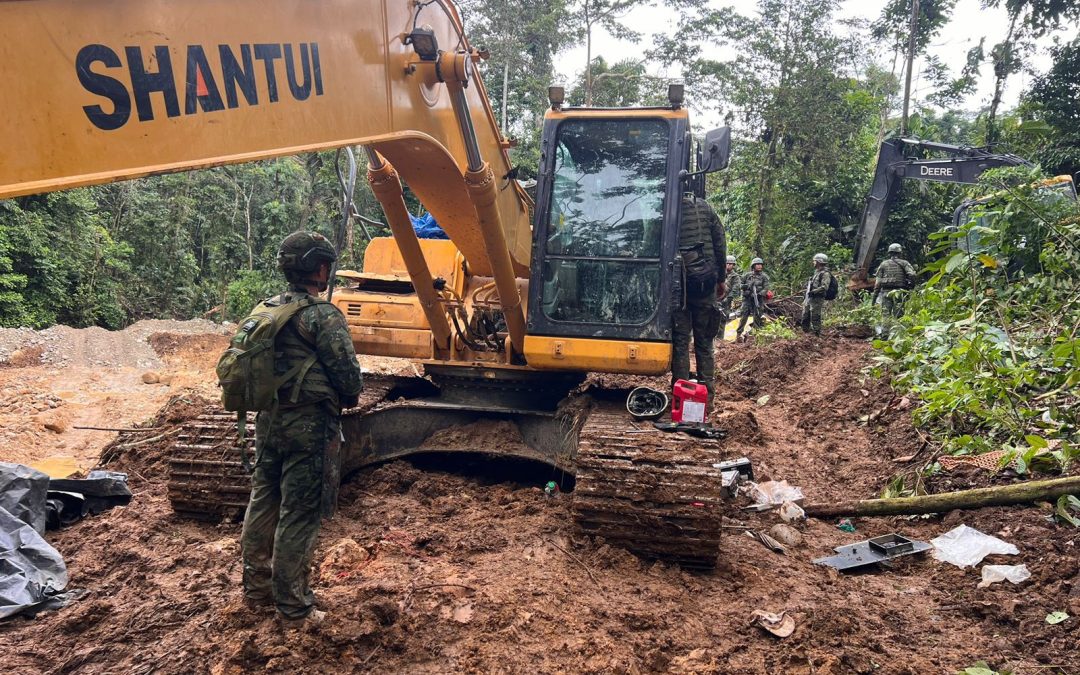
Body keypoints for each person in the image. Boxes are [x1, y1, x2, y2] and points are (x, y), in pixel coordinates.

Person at [240, 231, 364, 627]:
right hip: (308, 425)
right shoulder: (321, 316)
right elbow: (348, 377)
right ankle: (293, 606)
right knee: (299, 510)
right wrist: (346, 396)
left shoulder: (265, 309)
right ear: (322, 268)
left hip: (268, 420)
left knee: (264, 500)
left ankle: (257, 591)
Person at [671, 194, 726, 409]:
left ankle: (680, 396)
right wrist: (720, 279)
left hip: (679, 286)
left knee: (681, 343)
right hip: (705, 284)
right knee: (704, 344)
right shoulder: (705, 208)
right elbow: (720, 244)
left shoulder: (669, 206)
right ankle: (708, 400)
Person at [874, 243, 917, 317]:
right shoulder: (904, 263)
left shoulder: (883, 264)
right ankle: (898, 328)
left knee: (885, 315)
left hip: (886, 292)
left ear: (889, 253)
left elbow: (878, 282)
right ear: (900, 253)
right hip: (899, 292)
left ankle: (885, 328)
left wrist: (875, 296)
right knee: (899, 315)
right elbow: (912, 274)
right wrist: (911, 286)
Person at [736, 258, 770, 341]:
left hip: (758, 299)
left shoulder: (764, 277)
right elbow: (740, 285)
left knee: (757, 316)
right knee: (744, 316)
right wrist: (747, 288)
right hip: (747, 299)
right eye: (757, 264)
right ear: (753, 266)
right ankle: (739, 335)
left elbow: (766, 288)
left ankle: (755, 335)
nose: (759, 266)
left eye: (760, 264)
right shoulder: (747, 275)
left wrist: (759, 294)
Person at [801, 253, 834, 336]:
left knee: (815, 315)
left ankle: (817, 334)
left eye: (815, 261)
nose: (813, 263)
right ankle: (805, 332)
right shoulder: (817, 272)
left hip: (817, 298)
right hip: (810, 297)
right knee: (805, 314)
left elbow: (824, 287)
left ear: (819, 262)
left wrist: (814, 291)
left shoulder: (825, 274)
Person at [719, 255, 741, 323]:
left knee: (726, 317)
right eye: (727, 263)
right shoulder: (719, 273)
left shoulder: (735, 277)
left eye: (730, 264)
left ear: (733, 265)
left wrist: (727, 299)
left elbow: (735, 290)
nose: (728, 265)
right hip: (718, 298)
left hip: (728, 300)